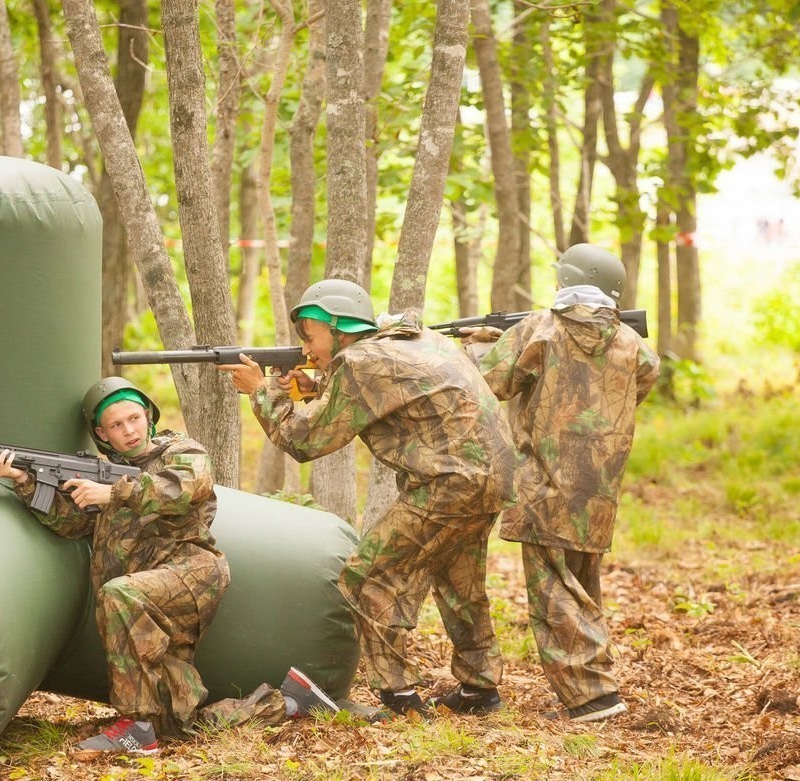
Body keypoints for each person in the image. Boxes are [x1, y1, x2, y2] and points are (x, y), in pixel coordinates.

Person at [0, 376, 339, 756]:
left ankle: (134, 725)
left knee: (119, 593)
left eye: (134, 418)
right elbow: (71, 525)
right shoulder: (102, 476)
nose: (129, 430)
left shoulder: (180, 451)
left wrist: (113, 492)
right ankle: (291, 703)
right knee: (176, 724)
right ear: (102, 433)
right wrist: (21, 479)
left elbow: (186, 488)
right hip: (149, 599)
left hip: (191, 574)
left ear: (148, 417)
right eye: (116, 426)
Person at [218, 279, 518, 719]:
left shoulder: (360, 363)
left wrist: (263, 391)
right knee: (459, 580)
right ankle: (480, 689)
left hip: (449, 482)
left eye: (310, 335)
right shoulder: (414, 340)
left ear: (338, 327)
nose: (305, 348)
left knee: (367, 577)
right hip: (491, 476)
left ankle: (400, 698)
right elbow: (390, 396)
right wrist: (315, 389)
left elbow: (305, 440)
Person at [463, 243, 660, 723]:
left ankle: (593, 697)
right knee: (581, 587)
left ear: (567, 279)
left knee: (554, 593)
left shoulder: (541, 327)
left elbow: (490, 381)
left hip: (545, 486)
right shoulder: (633, 344)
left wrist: (478, 346)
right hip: (598, 489)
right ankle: (598, 684)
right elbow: (643, 382)